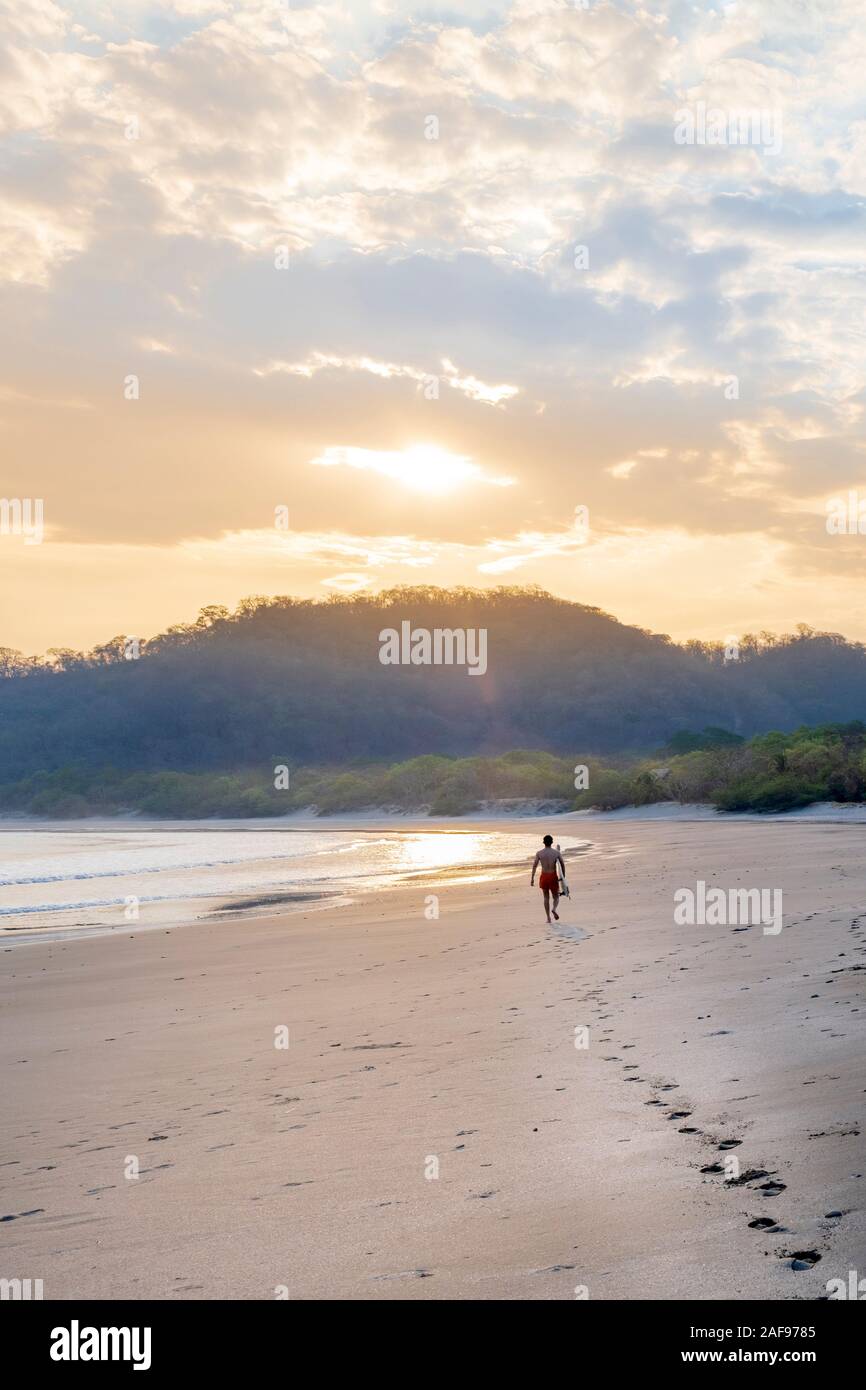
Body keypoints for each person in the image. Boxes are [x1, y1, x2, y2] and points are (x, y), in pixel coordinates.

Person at [531, 834, 565, 923]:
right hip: (553, 876)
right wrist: (563, 877)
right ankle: (554, 909)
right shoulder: (556, 853)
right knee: (556, 897)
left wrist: (532, 878)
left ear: (544, 843)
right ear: (551, 842)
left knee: (546, 898)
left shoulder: (539, 853)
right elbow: (562, 864)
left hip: (544, 877)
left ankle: (548, 918)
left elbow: (534, 866)